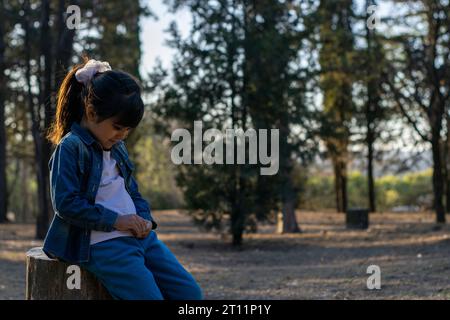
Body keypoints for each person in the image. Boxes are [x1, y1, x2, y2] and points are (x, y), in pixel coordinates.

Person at [43, 58, 203, 300]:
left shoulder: (117, 147)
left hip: (141, 238)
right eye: (118, 127)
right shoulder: (71, 148)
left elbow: (132, 192)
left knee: (190, 294)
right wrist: (118, 221)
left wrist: (144, 219)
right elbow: (66, 204)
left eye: (128, 130)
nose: (122, 135)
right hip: (103, 244)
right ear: (91, 112)